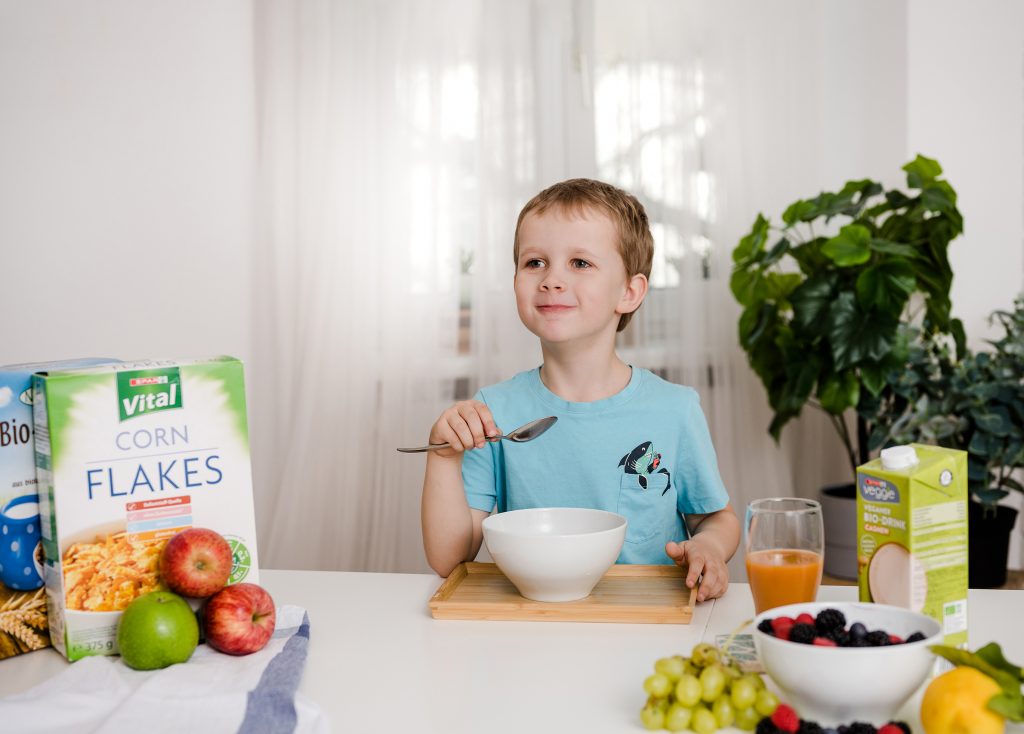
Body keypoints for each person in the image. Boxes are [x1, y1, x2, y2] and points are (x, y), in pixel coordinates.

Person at [420, 178, 739, 601]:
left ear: (629, 291)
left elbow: (716, 519)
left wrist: (710, 547)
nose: (552, 279)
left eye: (580, 263)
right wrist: (443, 455)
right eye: (535, 262)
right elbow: (449, 559)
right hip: (535, 624)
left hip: (647, 622)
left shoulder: (674, 410)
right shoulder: (491, 412)